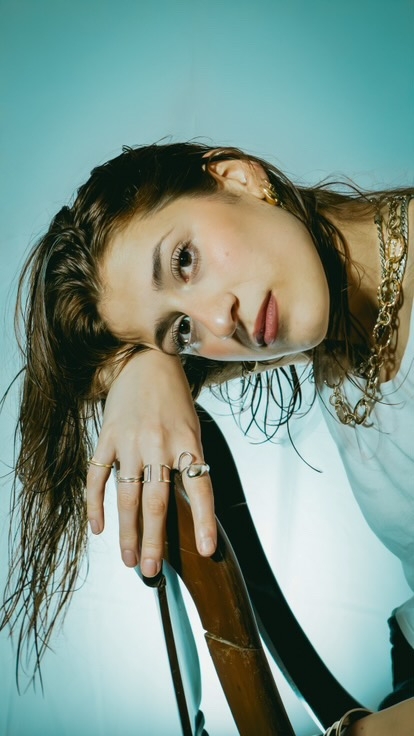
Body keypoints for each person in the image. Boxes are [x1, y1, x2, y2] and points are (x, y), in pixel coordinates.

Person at [1, 142, 413, 734]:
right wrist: (143, 366)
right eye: (181, 329)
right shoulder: (333, 309)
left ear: (238, 178)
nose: (219, 322)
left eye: (185, 260)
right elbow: (85, 383)